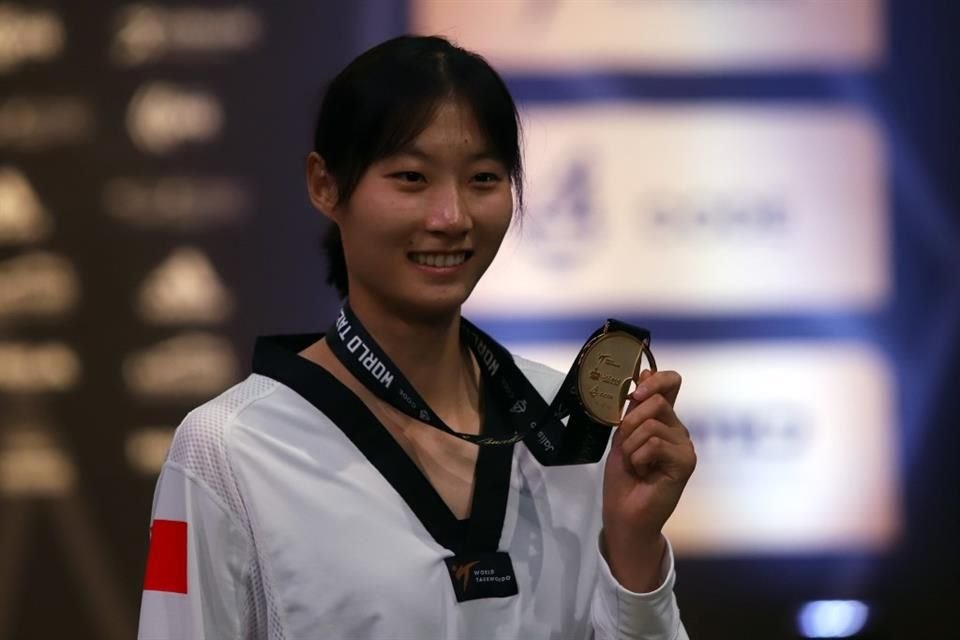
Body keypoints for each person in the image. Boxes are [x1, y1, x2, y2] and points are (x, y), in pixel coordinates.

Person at [137, 35, 696, 640]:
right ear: (325, 185)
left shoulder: (566, 430)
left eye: (483, 177)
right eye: (411, 177)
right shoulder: (227, 448)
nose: (451, 217)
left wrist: (634, 546)